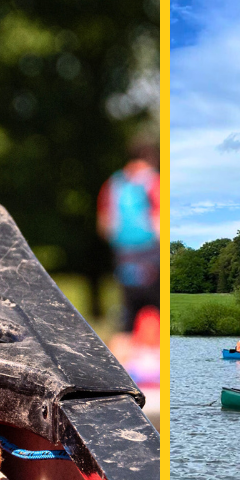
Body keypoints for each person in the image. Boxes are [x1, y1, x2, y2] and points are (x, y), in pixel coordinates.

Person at [97, 134, 160, 332]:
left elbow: (104, 225)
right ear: (150, 156)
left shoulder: (114, 183)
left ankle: (125, 355)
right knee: (156, 312)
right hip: (151, 254)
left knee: (128, 315)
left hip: (124, 254)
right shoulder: (153, 181)